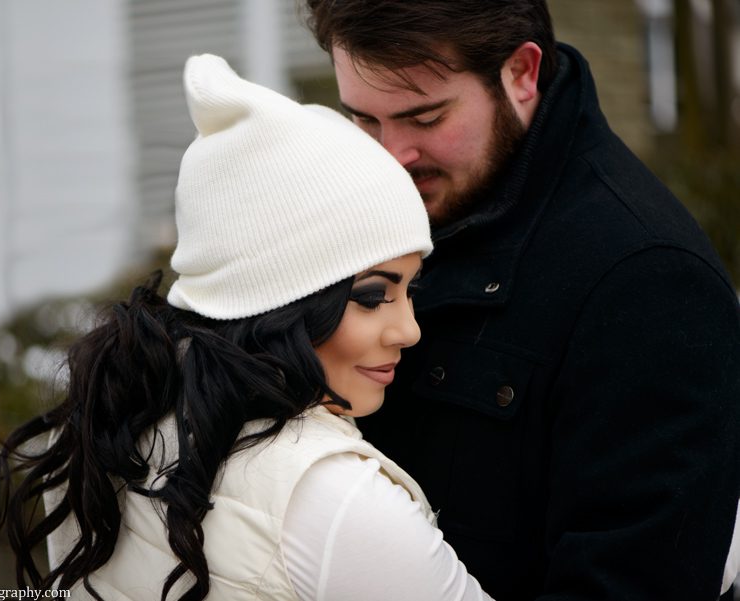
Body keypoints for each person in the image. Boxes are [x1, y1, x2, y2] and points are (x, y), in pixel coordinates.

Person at [0, 54, 495, 600]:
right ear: (279, 300)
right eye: (373, 297)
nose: (409, 331)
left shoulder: (107, 419)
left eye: (409, 290)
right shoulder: (341, 504)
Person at [302, 1, 740, 599]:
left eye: (426, 118)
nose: (391, 155)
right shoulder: (367, 209)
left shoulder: (649, 283)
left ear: (521, 74)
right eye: (365, 121)